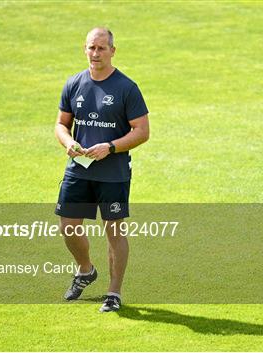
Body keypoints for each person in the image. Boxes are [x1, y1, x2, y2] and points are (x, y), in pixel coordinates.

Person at [54, 27, 149, 312]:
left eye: (101, 48)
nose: (95, 54)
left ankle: (114, 293)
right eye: (91, 48)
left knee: (114, 232)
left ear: (112, 51)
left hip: (113, 173)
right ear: (85, 49)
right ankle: (85, 270)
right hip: (78, 169)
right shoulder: (74, 84)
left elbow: (142, 131)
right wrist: (68, 142)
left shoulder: (126, 88)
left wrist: (110, 147)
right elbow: (61, 123)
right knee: (67, 226)